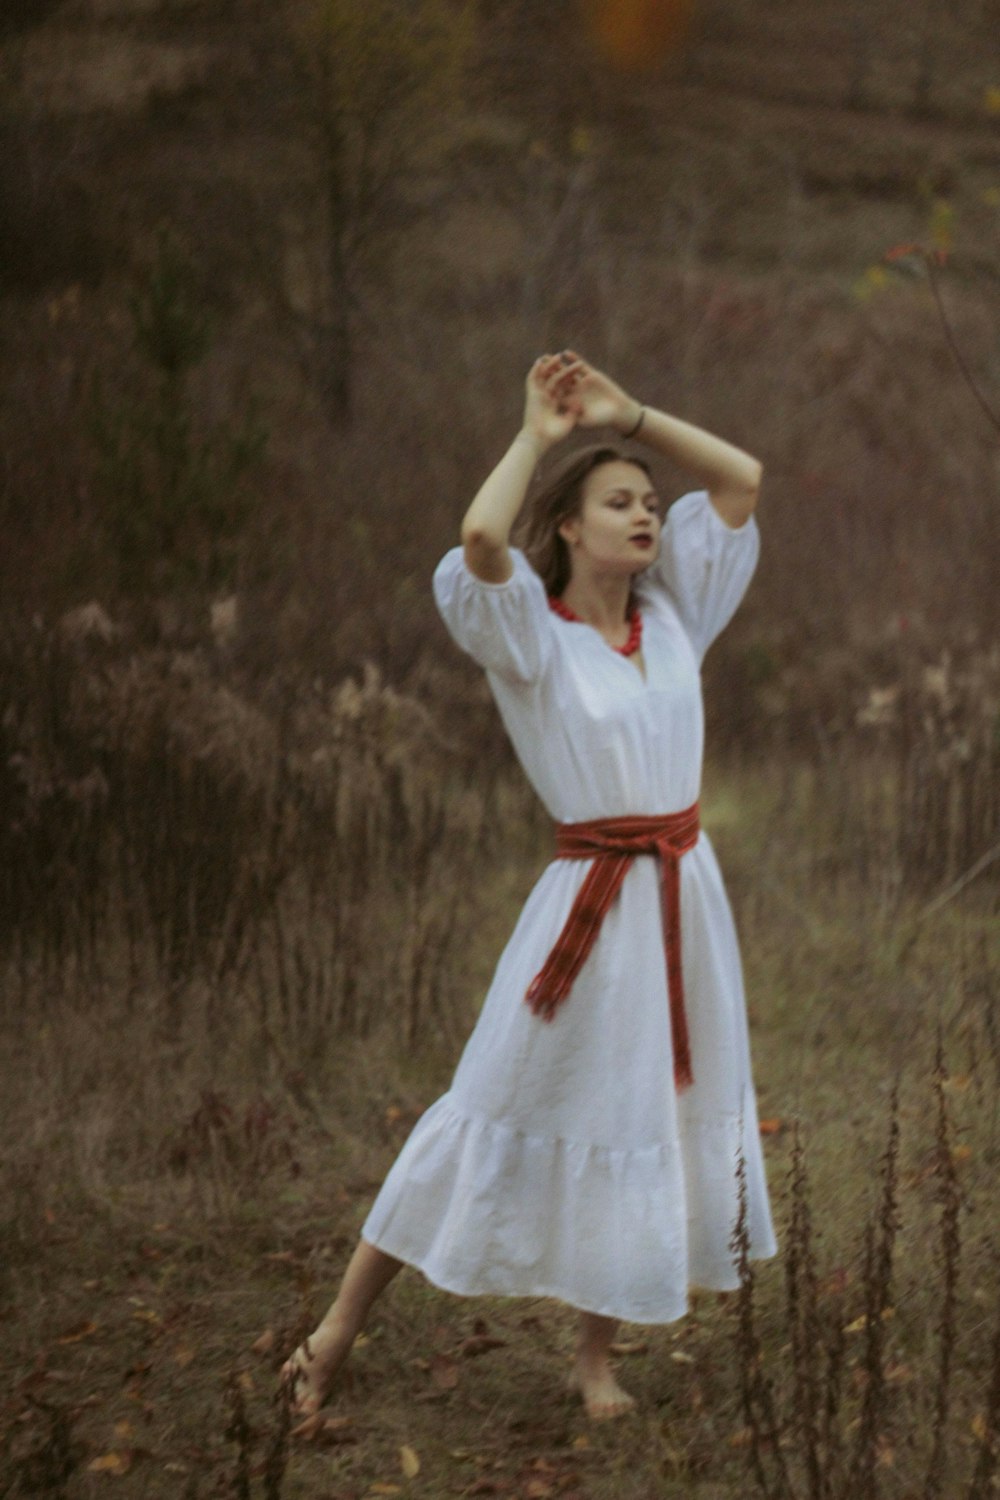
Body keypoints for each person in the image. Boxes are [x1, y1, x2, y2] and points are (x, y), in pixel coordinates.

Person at [282, 352, 777, 1423]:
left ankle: (595, 1363)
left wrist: (631, 414)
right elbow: (477, 541)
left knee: (642, 1110)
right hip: (588, 906)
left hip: (683, 900)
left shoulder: (677, 614)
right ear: (569, 528)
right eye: (620, 502)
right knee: (490, 1103)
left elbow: (740, 477)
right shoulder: (531, 638)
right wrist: (537, 437)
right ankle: (329, 1338)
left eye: (650, 502)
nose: (646, 515)